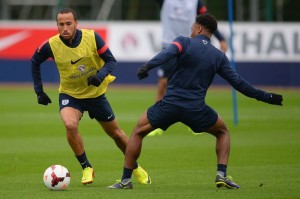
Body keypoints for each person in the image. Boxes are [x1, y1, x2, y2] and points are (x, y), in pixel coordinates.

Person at [108, 13, 283, 189]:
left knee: (138, 132)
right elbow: (239, 84)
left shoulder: (183, 42)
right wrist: (267, 97)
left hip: (169, 105)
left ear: (199, 28)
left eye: (193, 27)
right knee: (223, 132)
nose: (191, 30)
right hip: (196, 109)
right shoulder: (218, 56)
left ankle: (125, 180)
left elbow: (167, 53)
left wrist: (147, 66)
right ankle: (221, 175)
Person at [31, 8, 151, 186]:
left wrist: (100, 76)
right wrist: (39, 91)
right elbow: (35, 61)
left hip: (96, 95)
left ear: (76, 24)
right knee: (70, 124)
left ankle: (135, 167)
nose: (64, 28)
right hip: (70, 94)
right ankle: (86, 167)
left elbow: (111, 61)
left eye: (68, 24)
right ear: (57, 25)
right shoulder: (51, 45)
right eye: (61, 24)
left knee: (116, 134)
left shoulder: (92, 37)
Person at [149, 0, 228, 136]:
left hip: (191, 46)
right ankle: (156, 122)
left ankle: (195, 120)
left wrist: (221, 39)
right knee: (163, 84)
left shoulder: (195, 2)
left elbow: (206, 20)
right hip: (169, 45)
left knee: (195, 83)